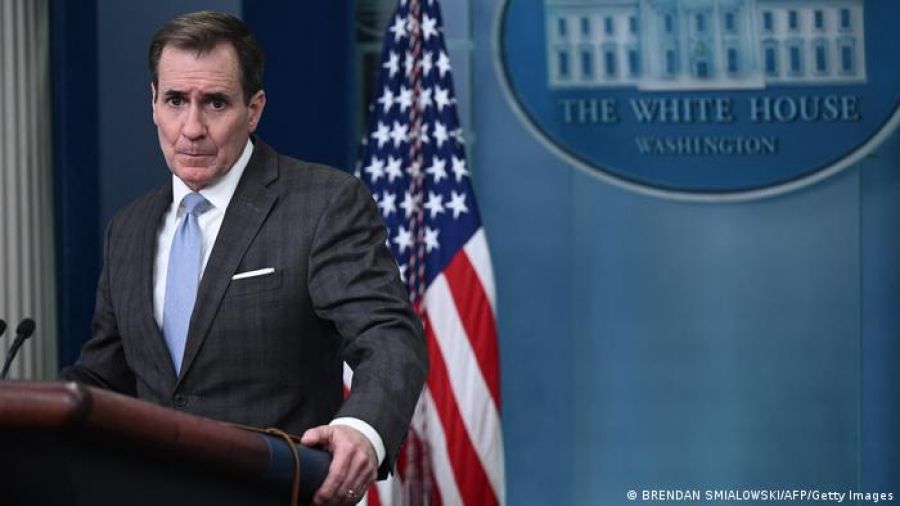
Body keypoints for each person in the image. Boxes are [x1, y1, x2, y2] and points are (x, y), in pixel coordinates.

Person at [60, 10, 427, 505]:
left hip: (278, 492)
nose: (192, 128)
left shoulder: (323, 203)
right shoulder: (127, 229)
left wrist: (362, 429)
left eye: (215, 102)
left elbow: (388, 335)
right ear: (153, 104)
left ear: (253, 110)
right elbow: (104, 376)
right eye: (175, 100)